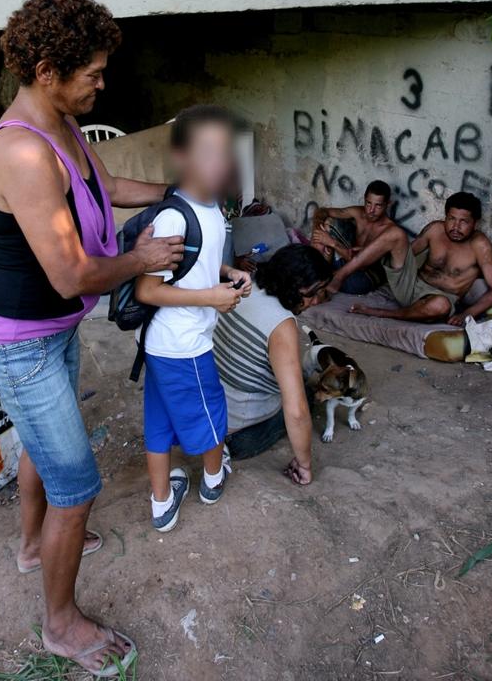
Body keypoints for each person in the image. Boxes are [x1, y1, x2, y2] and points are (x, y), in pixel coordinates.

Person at [0, 0, 186, 676]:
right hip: (21, 344)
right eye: (90, 72)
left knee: (41, 448)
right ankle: (59, 624)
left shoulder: (60, 124)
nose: (101, 82)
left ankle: (33, 546)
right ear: (46, 72)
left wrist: (176, 192)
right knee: (76, 484)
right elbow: (72, 275)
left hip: (48, 333)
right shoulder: (24, 153)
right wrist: (144, 257)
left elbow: (103, 184)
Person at [135, 105, 252, 532]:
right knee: (211, 413)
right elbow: (147, 288)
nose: (220, 163)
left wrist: (228, 274)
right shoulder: (173, 214)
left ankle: (162, 502)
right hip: (182, 344)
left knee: (162, 420)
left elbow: (192, 263)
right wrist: (212, 298)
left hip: (166, 344)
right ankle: (213, 480)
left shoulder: (213, 209)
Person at [214, 245, 332, 486]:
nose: (317, 300)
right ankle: (225, 450)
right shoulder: (282, 325)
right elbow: (296, 411)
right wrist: (305, 465)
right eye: (314, 292)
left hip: (208, 413)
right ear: (294, 287)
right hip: (239, 436)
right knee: (306, 396)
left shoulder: (246, 286)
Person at [330, 191, 492, 326]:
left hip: (439, 297)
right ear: (445, 216)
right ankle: (340, 275)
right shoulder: (436, 229)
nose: (455, 227)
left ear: (475, 223)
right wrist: (372, 250)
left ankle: (378, 312)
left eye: (464, 222)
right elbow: (408, 252)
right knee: (396, 234)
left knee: (441, 306)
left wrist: (467, 314)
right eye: (451, 219)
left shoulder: (480, 246)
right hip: (410, 285)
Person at [310, 180, 400, 295]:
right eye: (368, 203)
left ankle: (320, 277)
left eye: (378, 205)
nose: (371, 210)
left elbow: (361, 264)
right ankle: (318, 272)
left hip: (364, 277)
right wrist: (319, 232)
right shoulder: (358, 212)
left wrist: (332, 243)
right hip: (345, 260)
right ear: (364, 199)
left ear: (388, 204)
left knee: (320, 280)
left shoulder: (389, 231)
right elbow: (322, 212)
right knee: (327, 223)